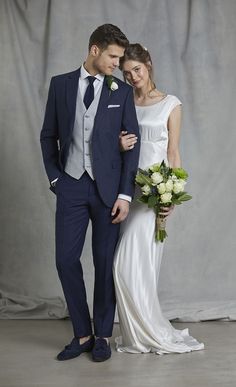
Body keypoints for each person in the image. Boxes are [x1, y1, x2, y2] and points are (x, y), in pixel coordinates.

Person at [40, 25, 140, 362]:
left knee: (103, 263)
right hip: (70, 184)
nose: (117, 63)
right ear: (94, 50)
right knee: (66, 260)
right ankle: (82, 333)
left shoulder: (121, 92)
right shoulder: (61, 85)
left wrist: (125, 195)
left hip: (108, 190)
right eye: (113, 56)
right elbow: (47, 135)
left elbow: (131, 148)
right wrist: (56, 179)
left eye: (120, 57)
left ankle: (102, 336)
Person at [113, 43, 204, 354]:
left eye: (136, 70)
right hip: (128, 191)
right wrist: (119, 145)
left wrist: (172, 195)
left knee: (132, 264)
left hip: (155, 193)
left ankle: (147, 331)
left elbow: (173, 152)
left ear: (148, 64)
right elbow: (113, 142)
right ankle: (137, 332)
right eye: (126, 74)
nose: (133, 77)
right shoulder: (124, 100)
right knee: (134, 266)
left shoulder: (171, 104)